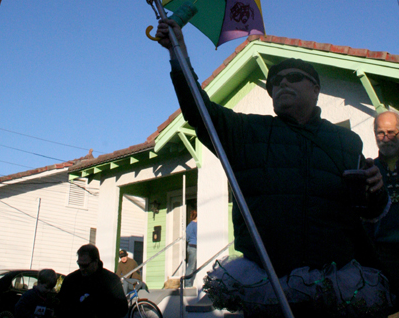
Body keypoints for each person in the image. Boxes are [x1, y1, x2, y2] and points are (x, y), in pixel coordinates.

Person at [155, 19, 393, 317]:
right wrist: (178, 53)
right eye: (274, 82)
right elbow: (197, 109)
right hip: (266, 286)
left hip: (335, 286)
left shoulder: (347, 141)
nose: (281, 83)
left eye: (292, 77)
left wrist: (376, 191)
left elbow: (368, 212)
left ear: (315, 88)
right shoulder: (247, 132)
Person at [366, 111, 399, 305]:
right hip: (383, 257)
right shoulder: (370, 170)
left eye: (391, 132)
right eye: (380, 133)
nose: (386, 138)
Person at [57, 244, 128, 318]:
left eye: (85, 265)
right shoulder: (71, 279)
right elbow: (61, 304)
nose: (82, 269)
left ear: (95, 262)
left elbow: (122, 308)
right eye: (79, 264)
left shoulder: (111, 280)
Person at [185, 210, 197, 287]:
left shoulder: (189, 225)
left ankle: (187, 283)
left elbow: (186, 238)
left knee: (190, 266)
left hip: (189, 246)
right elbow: (198, 236)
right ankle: (188, 285)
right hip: (194, 247)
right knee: (191, 267)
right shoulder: (196, 225)